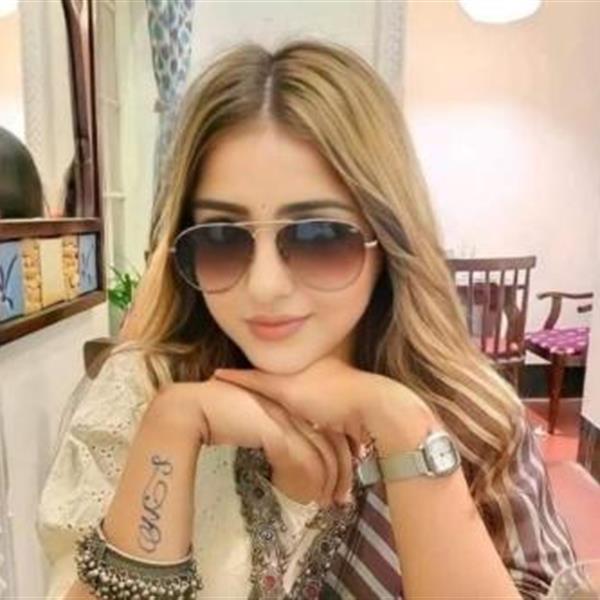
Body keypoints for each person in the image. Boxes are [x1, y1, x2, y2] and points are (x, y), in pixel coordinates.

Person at [36, 39, 577, 599]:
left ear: (388, 240)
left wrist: (402, 425)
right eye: (222, 238)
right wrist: (173, 425)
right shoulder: (142, 391)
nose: (265, 286)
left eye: (319, 237)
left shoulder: (475, 421)